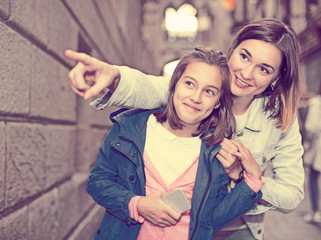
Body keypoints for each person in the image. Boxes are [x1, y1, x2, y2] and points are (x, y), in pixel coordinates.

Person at [65, 18, 305, 240]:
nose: (246, 73)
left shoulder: (280, 118)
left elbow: (291, 195)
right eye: (244, 57)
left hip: (237, 229)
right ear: (233, 50)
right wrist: (114, 75)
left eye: (264, 69)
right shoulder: (194, 93)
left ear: (275, 78)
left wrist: (241, 175)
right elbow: (149, 87)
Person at [85, 48, 264, 240]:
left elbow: (209, 222)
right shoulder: (129, 128)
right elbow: (97, 182)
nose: (196, 97)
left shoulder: (216, 151)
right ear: (174, 85)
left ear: (218, 102)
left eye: (209, 91)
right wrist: (137, 205)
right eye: (189, 84)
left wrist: (251, 182)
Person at [302, 81, 321, 224]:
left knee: (313, 178)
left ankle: (315, 211)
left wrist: (306, 140)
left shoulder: (315, 102)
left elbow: (310, 126)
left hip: (318, 147)